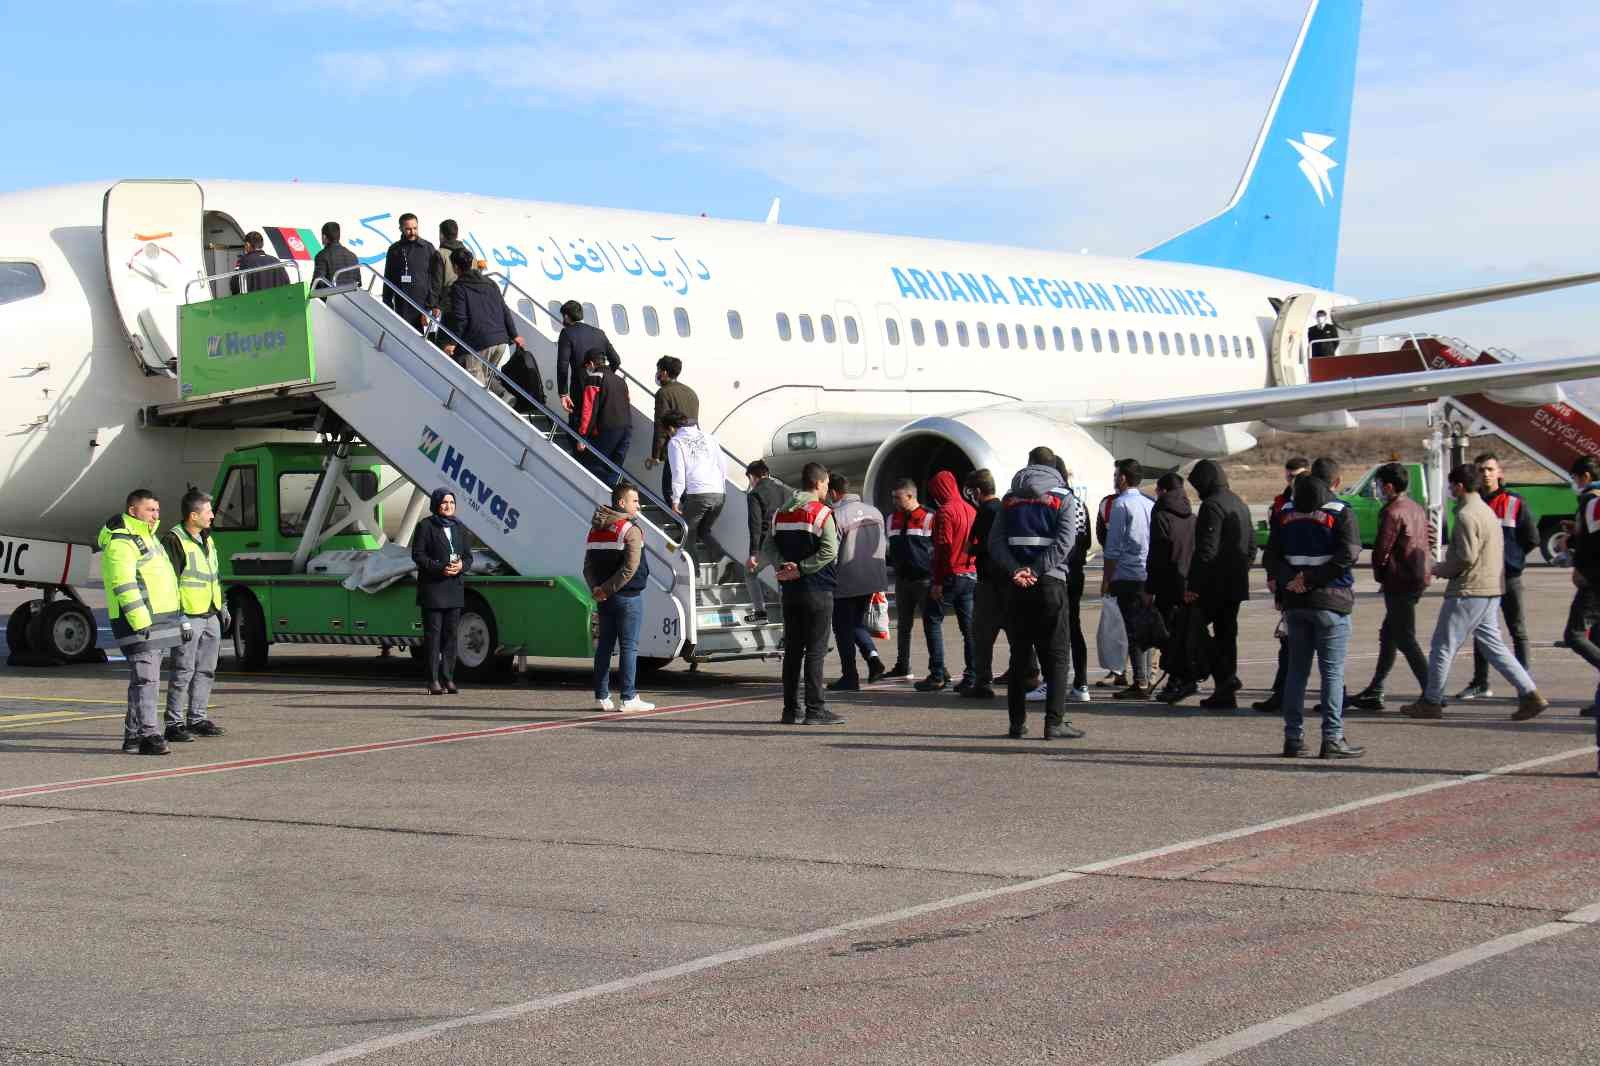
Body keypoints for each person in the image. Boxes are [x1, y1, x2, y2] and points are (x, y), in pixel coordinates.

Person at [1401, 465, 1550, 722]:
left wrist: (1439, 569)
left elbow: (1466, 557)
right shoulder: (1485, 510)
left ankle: (1431, 701)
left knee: (1442, 646)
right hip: (1490, 588)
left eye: (1451, 485)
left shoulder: (1466, 515)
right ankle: (1530, 695)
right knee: (1494, 647)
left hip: (1470, 590)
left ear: (1459, 486)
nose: (1449, 490)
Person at [1263, 458, 1363, 758]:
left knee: (1297, 672)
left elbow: (1271, 557)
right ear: (1334, 482)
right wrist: (1310, 579)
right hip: (1331, 601)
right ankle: (1332, 737)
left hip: (1295, 603)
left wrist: (1292, 580)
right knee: (1331, 673)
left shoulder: (1285, 513)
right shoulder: (1340, 512)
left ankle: (1293, 738)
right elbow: (1348, 554)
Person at [987, 449, 1086, 740]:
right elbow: (1065, 542)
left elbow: (995, 543)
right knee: (1057, 655)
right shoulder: (1063, 497)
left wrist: (1017, 570)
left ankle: (1016, 723)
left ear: (1029, 465)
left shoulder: (1009, 499)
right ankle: (1054, 722)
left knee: (1019, 656)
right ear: (1054, 467)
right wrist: (1037, 569)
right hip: (1050, 583)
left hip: (1016, 586)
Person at [100, 489, 183, 756]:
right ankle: (149, 734)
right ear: (133, 511)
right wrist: (139, 621)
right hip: (138, 622)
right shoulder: (122, 542)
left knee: (143, 680)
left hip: (158, 620)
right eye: (149, 510)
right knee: (147, 680)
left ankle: (133, 736)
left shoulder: (149, 537)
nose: (155, 515)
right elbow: (124, 584)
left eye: (157, 510)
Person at [1349, 463, 1433, 713]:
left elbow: (1382, 550)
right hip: (1417, 577)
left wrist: (1381, 575)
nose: (1377, 490)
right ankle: (1375, 689)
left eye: (1378, 485)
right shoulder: (1415, 507)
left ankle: (1433, 692)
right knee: (1389, 634)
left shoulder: (1391, 512)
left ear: (1388, 487)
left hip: (1400, 580)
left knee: (1405, 638)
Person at [1458, 452, 1538, 700]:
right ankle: (1480, 682)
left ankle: (1525, 684)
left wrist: (1512, 559)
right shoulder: (1472, 502)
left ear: (1499, 473)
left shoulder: (1514, 501)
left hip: (1509, 576)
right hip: (1484, 579)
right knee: (1481, 631)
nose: (1486, 474)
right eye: (1481, 470)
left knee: (1517, 629)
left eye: (1490, 469)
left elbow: (1531, 538)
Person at [773, 462, 843, 725]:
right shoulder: (821, 513)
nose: (827, 489)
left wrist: (784, 567)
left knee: (793, 650)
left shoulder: (781, 512)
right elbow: (830, 551)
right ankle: (815, 709)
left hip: (790, 590)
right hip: (817, 589)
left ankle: (790, 709)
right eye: (826, 484)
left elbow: (768, 545)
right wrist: (801, 569)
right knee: (815, 650)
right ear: (818, 483)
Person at [160, 489, 229, 742]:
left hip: (210, 613)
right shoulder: (174, 540)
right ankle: (174, 723)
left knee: (206, 670)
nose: (212, 515)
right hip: (188, 615)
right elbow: (169, 582)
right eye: (208, 511)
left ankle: (197, 718)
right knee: (183, 670)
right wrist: (179, 616)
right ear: (193, 515)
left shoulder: (206, 538)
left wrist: (222, 605)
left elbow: (214, 575)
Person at [1186, 459, 1253, 709]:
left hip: (1213, 585)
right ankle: (1225, 689)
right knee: (1227, 635)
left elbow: (1206, 550)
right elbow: (1251, 547)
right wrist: (1239, 570)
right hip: (1235, 584)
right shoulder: (1239, 503)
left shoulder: (1212, 506)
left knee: (1195, 629)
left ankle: (1225, 677)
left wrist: (1193, 585)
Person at [584, 481, 655, 713]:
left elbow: (587, 566)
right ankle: (628, 697)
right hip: (627, 596)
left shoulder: (595, 529)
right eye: (635, 501)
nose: (638, 505)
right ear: (622, 503)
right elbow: (630, 568)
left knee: (604, 646)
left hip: (605, 599)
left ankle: (602, 696)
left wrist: (597, 589)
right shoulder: (630, 529)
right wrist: (607, 589)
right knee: (629, 647)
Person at [1253, 456, 1310, 713]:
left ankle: (1286, 694)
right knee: (1288, 643)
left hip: (1309, 585)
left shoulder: (1319, 506)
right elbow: (1275, 547)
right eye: (1289, 476)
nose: (1292, 481)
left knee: (1318, 646)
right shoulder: (1281, 504)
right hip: (1288, 584)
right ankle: (1281, 692)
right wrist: (1273, 577)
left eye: (1296, 476)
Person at [918, 470, 977, 693]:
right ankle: (972, 675)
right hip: (969, 573)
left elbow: (943, 548)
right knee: (968, 628)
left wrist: (938, 581)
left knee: (932, 620)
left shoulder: (944, 512)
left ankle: (938, 674)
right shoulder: (970, 509)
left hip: (951, 574)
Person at [827, 474, 888, 689]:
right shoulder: (875, 512)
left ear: (833, 492)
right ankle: (873, 658)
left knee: (842, 628)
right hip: (872, 579)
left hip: (846, 580)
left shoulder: (837, 516)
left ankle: (850, 676)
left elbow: (831, 553)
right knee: (856, 623)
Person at [1103, 459, 1156, 699]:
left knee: (1133, 630)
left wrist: (1107, 578)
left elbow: (1112, 547)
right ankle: (1146, 677)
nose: (1115, 479)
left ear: (1123, 478)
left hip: (1127, 574)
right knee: (1145, 628)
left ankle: (1140, 681)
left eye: (1116, 475)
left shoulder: (1120, 504)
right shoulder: (1149, 503)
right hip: (1147, 573)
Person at [410, 488, 472, 696]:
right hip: (433, 589)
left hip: (454, 589)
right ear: (436, 504)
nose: (448, 506)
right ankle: (433, 680)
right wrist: (439, 568)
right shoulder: (426, 526)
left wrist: (461, 566)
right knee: (433, 637)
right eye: (444, 502)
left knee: (451, 637)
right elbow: (418, 555)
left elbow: (468, 557)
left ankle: (448, 678)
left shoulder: (459, 527)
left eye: (452, 503)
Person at [1146, 472, 1197, 704]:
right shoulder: (1192, 516)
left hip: (1167, 586)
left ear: (1164, 491)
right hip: (1187, 584)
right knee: (1183, 634)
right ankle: (1183, 677)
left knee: (1167, 637)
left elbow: (1157, 555)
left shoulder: (1161, 516)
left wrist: (1150, 587)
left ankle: (1177, 680)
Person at [441, 247, 524, 387]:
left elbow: (461, 319)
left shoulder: (459, 287)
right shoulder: (490, 282)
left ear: (455, 267)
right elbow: (504, 309)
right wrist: (514, 334)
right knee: (485, 382)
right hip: (500, 342)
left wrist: (452, 343)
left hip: (479, 344)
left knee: (476, 388)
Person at [665, 410, 731, 566]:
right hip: (719, 493)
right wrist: (718, 485)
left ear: (672, 428)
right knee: (702, 531)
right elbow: (723, 464)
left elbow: (678, 473)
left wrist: (675, 499)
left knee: (688, 533)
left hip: (698, 493)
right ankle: (725, 562)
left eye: (667, 432)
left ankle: (693, 572)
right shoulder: (709, 437)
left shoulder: (676, 442)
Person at [884, 479, 935, 679]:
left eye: (898, 498)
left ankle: (937, 668)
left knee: (931, 625)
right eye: (893, 498)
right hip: (903, 580)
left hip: (924, 580)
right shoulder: (892, 519)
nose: (894, 502)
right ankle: (902, 665)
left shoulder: (929, 517)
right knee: (903, 626)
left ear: (910, 496)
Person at [963, 469, 1006, 700]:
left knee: (981, 633)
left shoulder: (986, 512)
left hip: (989, 580)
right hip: (1006, 580)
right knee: (1014, 629)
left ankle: (982, 680)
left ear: (978, 491)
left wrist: (972, 549)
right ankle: (1028, 672)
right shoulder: (1003, 509)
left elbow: (988, 544)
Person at [1564, 456, 1600, 719]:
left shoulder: (1591, 500)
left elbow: (1591, 543)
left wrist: (1578, 564)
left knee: (1575, 635)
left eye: (1575, 478)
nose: (1575, 483)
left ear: (1585, 476)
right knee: (1596, 638)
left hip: (1594, 581)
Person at [556, 300, 621, 435]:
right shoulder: (599, 333)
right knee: (597, 428)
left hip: (580, 390)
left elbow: (563, 365)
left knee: (577, 431)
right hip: (602, 390)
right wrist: (604, 377)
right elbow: (616, 360)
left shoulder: (567, 333)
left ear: (566, 316)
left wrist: (563, 393)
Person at [645, 356, 700, 504]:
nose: (657, 374)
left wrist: (656, 455)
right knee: (686, 489)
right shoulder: (691, 392)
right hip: (694, 445)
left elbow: (661, 426)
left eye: (658, 370)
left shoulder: (664, 393)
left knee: (669, 489)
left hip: (676, 446)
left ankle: (678, 518)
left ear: (664, 372)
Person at [576, 349, 632, 483]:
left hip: (607, 430)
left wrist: (582, 436)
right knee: (614, 470)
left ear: (591, 364)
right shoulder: (620, 380)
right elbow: (627, 402)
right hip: (626, 429)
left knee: (592, 466)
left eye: (587, 366)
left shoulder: (595, 378)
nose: (587, 369)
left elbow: (589, 410)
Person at [743, 460, 789, 624]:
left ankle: (760, 613)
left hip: (767, 545)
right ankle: (787, 626)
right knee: (783, 580)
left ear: (752, 477)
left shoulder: (754, 494)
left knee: (749, 572)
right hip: (784, 542)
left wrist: (753, 554)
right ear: (767, 474)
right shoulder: (782, 490)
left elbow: (755, 525)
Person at [382, 213, 439, 331]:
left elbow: (436, 278)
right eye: (408, 229)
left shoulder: (428, 248)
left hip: (424, 307)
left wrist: (434, 305)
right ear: (401, 228)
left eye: (415, 228)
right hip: (402, 306)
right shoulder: (394, 250)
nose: (412, 232)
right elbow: (388, 278)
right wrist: (387, 303)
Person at [229, 231, 290, 295]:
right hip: (275, 299)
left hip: (254, 300)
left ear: (247, 244)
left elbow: (235, 285)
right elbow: (286, 282)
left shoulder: (244, 261)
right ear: (262, 244)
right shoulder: (276, 261)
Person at [310, 221, 359, 289]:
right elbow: (358, 282)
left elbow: (317, 284)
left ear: (324, 237)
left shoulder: (322, 255)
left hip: (331, 295)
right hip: (351, 295)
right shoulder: (353, 256)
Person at [435, 218, 468, 302]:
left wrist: (432, 304)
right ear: (457, 234)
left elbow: (436, 283)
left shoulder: (440, 254)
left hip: (447, 301)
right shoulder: (469, 254)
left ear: (441, 235)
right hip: (467, 299)